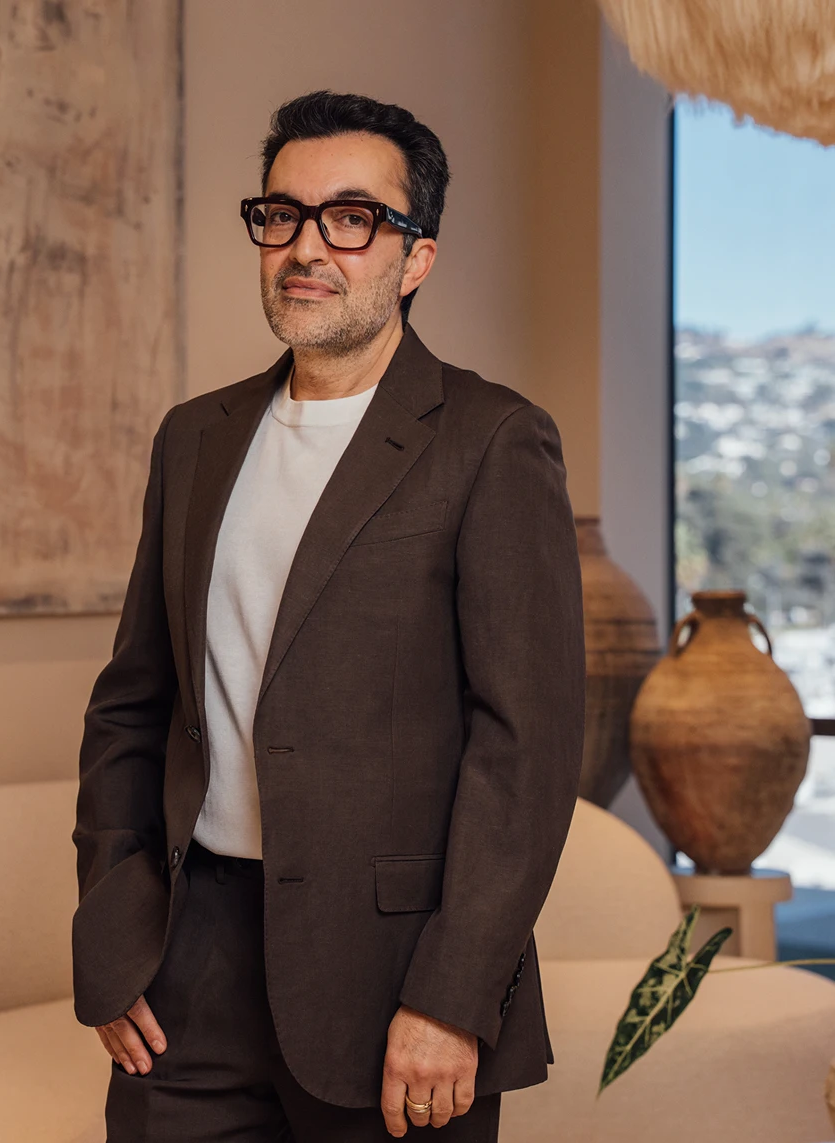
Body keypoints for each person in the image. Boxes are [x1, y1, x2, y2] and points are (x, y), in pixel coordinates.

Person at [71, 89, 586, 1142]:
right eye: (282, 214)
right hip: (189, 962)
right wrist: (114, 930)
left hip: (395, 975)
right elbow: (134, 705)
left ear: (417, 256)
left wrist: (454, 993)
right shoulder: (194, 440)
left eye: (352, 218)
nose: (308, 246)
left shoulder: (492, 440)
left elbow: (524, 750)